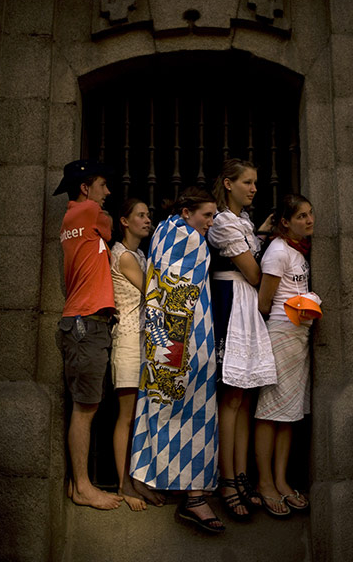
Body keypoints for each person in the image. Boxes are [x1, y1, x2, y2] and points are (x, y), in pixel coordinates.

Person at [130, 186, 225, 533]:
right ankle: (193, 497)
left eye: (214, 216)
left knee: (159, 403)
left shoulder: (164, 232)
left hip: (165, 338)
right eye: (207, 215)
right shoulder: (185, 238)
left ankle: (148, 476)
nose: (211, 223)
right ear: (186, 212)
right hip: (179, 340)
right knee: (190, 410)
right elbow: (178, 292)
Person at [207, 158, 277, 521]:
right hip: (233, 302)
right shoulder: (222, 223)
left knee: (245, 395)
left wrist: (261, 236)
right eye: (247, 182)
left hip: (247, 305)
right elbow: (251, 272)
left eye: (255, 182)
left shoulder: (244, 223)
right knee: (231, 395)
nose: (253, 188)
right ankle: (226, 478)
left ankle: (242, 474)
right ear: (229, 183)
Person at [54, 159, 122, 510]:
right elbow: (110, 229)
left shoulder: (71, 218)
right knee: (85, 409)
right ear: (86, 188)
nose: (107, 192)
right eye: (102, 184)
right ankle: (82, 486)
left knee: (86, 406)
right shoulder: (90, 213)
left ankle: (77, 483)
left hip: (81, 322)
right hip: (86, 323)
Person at [254, 193, 321, 516]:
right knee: (270, 411)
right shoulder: (278, 252)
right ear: (285, 222)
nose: (309, 220)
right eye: (301, 216)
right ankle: (264, 481)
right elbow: (265, 302)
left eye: (310, 214)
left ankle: (281, 480)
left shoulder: (299, 251)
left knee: (289, 413)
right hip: (281, 333)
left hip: (299, 336)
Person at [110, 198, 165, 511]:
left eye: (148, 215)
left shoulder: (141, 254)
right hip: (129, 342)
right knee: (127, 417)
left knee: (141, 416)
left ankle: (139, 479)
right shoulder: (125, 256)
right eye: (141, 215)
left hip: (144, 343)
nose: (147, 220)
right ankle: (124, 483)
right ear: (125, 221)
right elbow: (153, 292)